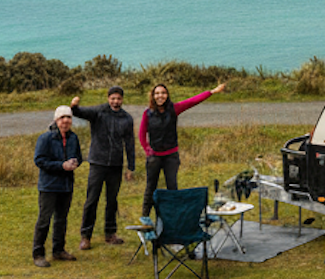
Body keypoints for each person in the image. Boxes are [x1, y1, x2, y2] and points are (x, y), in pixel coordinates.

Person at [138, 81, 227, 225]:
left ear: (167, 95)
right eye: (157, 93)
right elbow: (142, 134)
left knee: (172, 187)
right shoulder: (147, 114)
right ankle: (145, 218)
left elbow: (193, 101)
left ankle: (173, 217)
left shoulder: (174, 109)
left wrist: (212, 91)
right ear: (153, 96)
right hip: (154, 157)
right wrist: (147, 150)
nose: (160, 96)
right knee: (150, 187)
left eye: (163, 93)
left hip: (171, 157)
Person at [70, 86, 136, 249]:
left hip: (116, 164)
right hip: (97, 163)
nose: (115, 101)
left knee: (112, 201)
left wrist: (131, 167)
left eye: (118, 98)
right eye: (113, 98)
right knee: (92, 200)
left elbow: (129, 143)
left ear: (122, 99)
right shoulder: (98, 112)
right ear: (108, 98)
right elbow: (79, 113)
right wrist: (74, 106)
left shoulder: (126, 118)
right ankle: (85, 236)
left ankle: (110, 234)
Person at [32, 106, 83, 267]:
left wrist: (75, 163)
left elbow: (79, 157)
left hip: (66, 185)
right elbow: (39, 160)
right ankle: (38, 254)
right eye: (62, 118)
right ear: (56, 120)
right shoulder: (45, 138)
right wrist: (61, 166)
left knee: (61, 219)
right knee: (44, 220)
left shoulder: (73, 138)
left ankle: (58, 250)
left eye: (68, 117)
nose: (66, 121)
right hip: (49, 186)